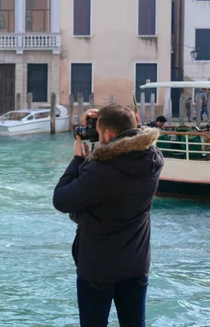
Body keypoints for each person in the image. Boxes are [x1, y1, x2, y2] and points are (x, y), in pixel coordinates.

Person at [53, 104, 164, 327]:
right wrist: (104, 116)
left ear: (109, 134)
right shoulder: (153, 158)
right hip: (136, 264)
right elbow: (132, 131)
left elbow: (61, 200)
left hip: (98, 269)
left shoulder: (100, 170)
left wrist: (77, 160)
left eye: (100, 131)